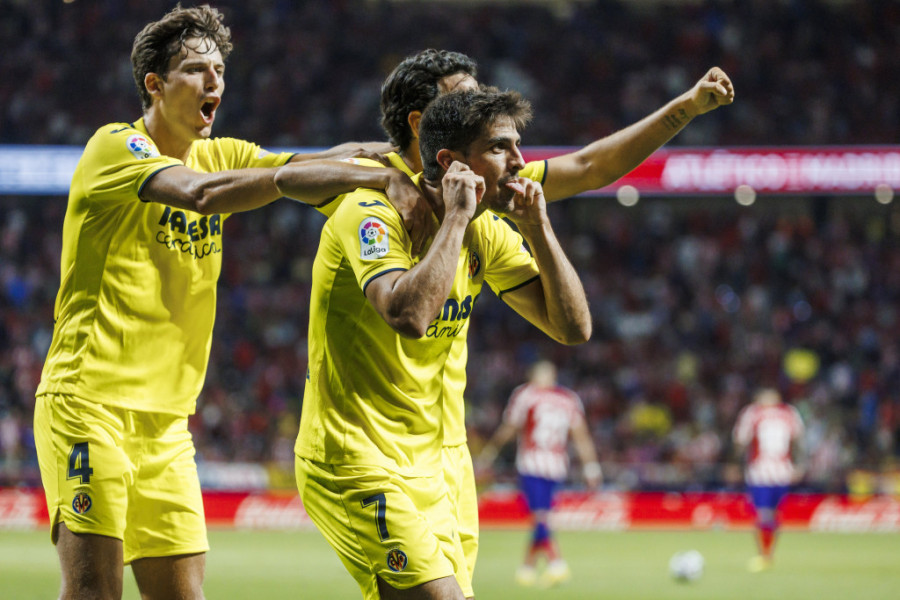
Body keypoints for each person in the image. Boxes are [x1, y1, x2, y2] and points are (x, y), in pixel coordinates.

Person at [31, 6, 427, 600]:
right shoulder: (115, 146)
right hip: (88, 405)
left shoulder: (222, 153)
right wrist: (360, 179)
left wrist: (407, 152)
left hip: (167, 424)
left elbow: (315, 161)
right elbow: (202, 194)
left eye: (219, 69)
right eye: (196, 69)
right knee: (94, 593)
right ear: (155, 84)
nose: (213, 80)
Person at [374, 48, 735, 588]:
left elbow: (591, 167)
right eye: (466, 98)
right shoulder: (366, 191)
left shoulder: (489, 190)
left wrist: (686, 107)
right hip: (370, 447)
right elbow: (287, 172)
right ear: (421, 124)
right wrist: (375, 174)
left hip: (444, 456)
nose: (485, 106)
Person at [287, 87, 591, 600]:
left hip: (436, 467)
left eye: (518, 145)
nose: (520, 162)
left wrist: (538, 227)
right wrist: (455, 217)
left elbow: (573, 329)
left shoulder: (486, 230)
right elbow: (408, 316)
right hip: (354, 456)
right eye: (499, 148)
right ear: (450, 164)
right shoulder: (369, 213)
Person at [475, 359, 601, 588]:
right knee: (542, 517)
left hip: (532, 464)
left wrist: (490, 452)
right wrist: (591, 467)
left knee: (540, 518)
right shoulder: (569, 399)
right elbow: (581, 436)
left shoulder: (526, 395)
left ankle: (556, 564)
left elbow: (510, 427)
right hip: (556, 466)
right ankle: (528, 568)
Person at [732, 386, 806, 573]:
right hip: (762, 473)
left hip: (778, 473)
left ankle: (768, 554)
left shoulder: (786, 413)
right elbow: (742, 441)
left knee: (773, 515)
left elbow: (740, 442)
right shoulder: (756, 413)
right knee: (764, 514)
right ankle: (764, 555)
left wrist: (799, 465)